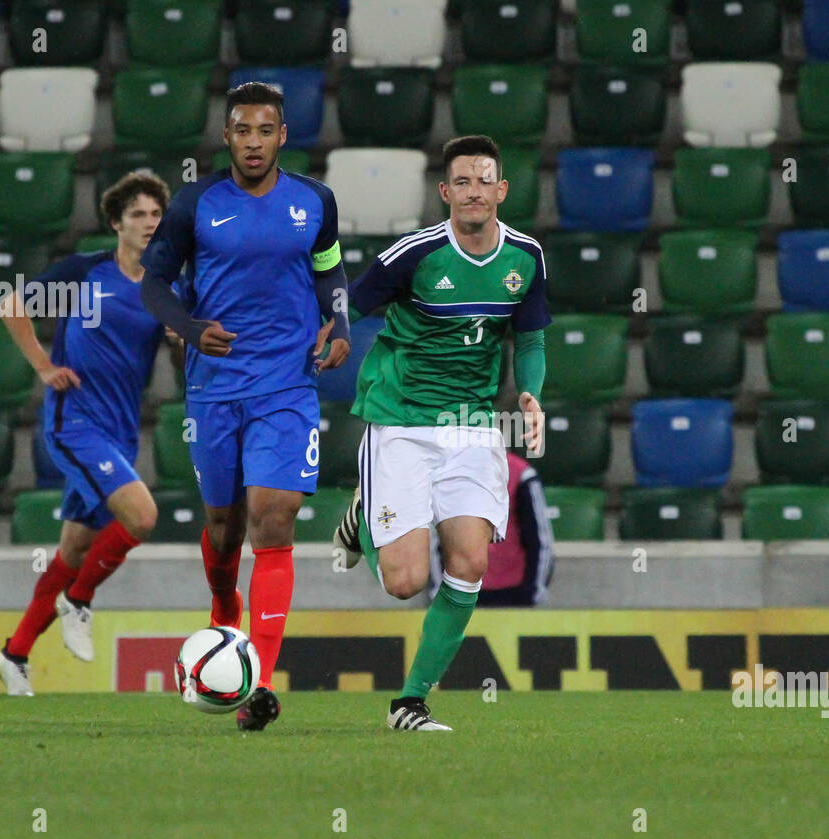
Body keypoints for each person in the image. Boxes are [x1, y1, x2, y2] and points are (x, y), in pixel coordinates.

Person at [139, 82, 349, 731]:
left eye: (265, 130)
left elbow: (329, 270)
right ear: (226, 137)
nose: (253, 142)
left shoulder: (315, 201)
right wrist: (191, 325)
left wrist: (338, 325)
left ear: (282, 136)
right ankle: (224, 605)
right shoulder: (194, 204)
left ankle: (256, 680)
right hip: (214, 386)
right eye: (242, 130)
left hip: (287, 383)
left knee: (274, 519)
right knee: (227, 527)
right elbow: (153, 283)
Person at [333, 135, 549, 731]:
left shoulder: (525, 257)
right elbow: (349, 305)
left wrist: (529, 391)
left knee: (471, 563)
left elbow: (529, 338)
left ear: (501, 190)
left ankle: (411, 702)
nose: (474, 191)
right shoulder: (415, 253)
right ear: (445, 192)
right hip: (401, 419)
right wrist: (328, 336)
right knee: (405, 583)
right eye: (462, 181)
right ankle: (364, 518)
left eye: (485, 180)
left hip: (473, 423)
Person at [0, 172, 172, 696]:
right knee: (143, 516)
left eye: (156, 214)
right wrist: (45, 367)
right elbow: (11, 306)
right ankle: (81, 600)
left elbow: (186, 345)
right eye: (137, 214)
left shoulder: (166, 285)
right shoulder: (86, 271)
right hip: (74, 422)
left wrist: (181, 341)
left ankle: (14, 653)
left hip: (122, 430)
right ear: (116, 223)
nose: (148, 223)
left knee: (73, 548)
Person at [428, 451, 554, 606]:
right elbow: (435, 540)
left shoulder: (522, 474)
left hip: (514, 595)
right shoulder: (446, 475)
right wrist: (441, 595)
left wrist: (533, 592)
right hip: (459, 596)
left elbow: (540, 540)